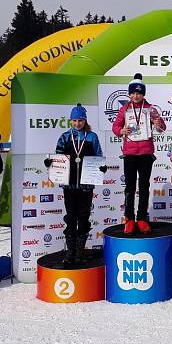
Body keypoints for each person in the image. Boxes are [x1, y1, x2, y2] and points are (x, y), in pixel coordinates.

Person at [44, 104, 104, 264]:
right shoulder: (64, 137)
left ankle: (79, 252)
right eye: (75, 120)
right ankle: (70, 252)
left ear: (85, 121)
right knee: (71, 217)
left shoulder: (92, 137)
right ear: (71, 121)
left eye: (80, 120)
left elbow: (98, 155)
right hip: (69, 185)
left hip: (86, 185)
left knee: (84, 217)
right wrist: (50, 162)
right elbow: (58, 157)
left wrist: (101, 167)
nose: (78, 123)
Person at [112, 73, 165, 235]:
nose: (136, 96)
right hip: (129, 154)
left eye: (139, 93)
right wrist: (121, 130)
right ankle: (129, 218)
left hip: (145, 154)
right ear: (129, 94)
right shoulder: (124, 109)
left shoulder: (150, 109)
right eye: (133, 93)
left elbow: (162, 128)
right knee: (129, 187)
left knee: (144, 187)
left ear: (143, 94)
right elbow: (115, 127)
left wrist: (158, 123)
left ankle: (142, 219)